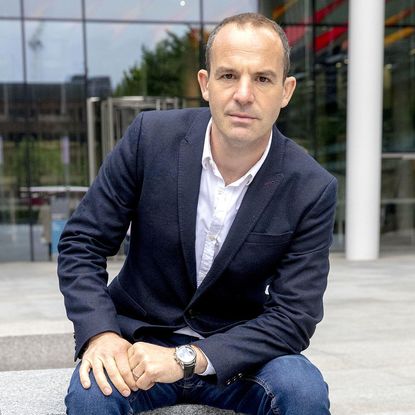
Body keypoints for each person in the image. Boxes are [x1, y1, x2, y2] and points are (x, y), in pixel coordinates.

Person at [58, 12, 337, 415]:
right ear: (205, 84)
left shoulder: (311, 187)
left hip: (238, 353)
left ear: (286, 90)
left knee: (304, 392)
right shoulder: (148, 139)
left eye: (262, 79)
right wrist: (100, 334)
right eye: (228, 76)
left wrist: (186, 359)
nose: (244, 94)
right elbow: (82, 242)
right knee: (90, 398)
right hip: (138, 341)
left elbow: (294, 316)